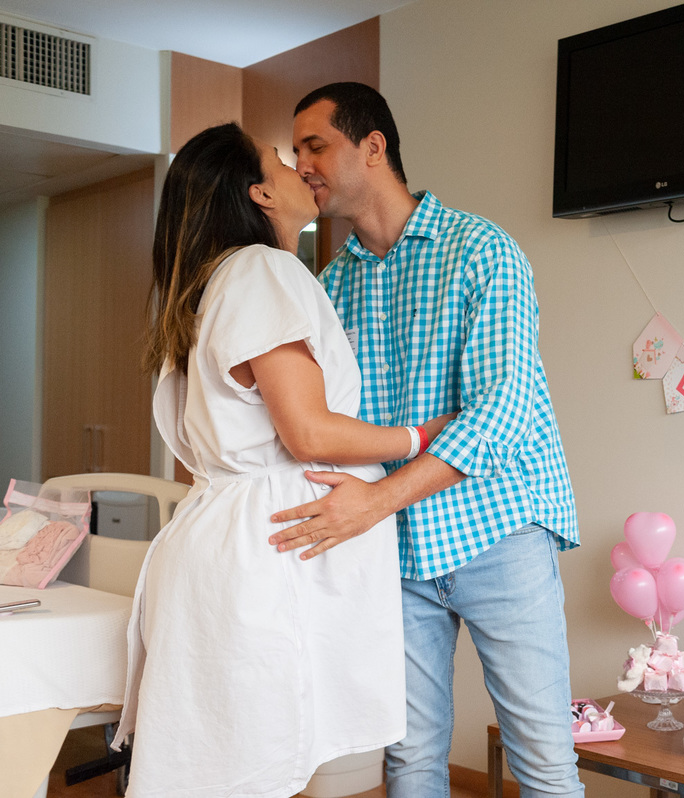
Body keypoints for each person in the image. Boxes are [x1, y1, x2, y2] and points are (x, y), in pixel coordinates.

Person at [113, 122, 453, 797]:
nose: (302, 168)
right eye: (284, 159)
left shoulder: (210, 285)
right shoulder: (263, 270)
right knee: (262, 764)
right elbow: (307, 432)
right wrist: (419, 436)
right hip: (263, 553)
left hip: (226, 541)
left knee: (223, 767)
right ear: (260, 191)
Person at [271, 82, 583, 797]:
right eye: (295, 154)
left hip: (498, 530)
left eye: (315, 145)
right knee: (410, 762)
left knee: (542, 761)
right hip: (398, 552)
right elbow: (323, 425)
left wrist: (376, 500)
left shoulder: (482, 250)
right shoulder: (331, 287)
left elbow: (502, 408)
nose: (303, 165)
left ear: (372, 147)